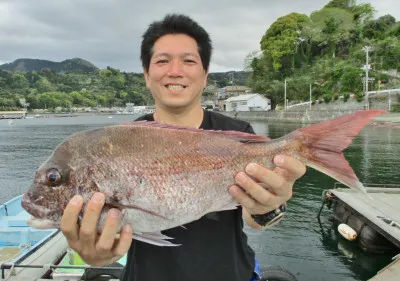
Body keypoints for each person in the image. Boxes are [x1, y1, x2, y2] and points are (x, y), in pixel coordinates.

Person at [60, 14, 306, 281]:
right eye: (162, 61)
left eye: (188, 61)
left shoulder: (238, 135)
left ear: (204, 74)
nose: (175, 71)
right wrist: (96, 253)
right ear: (146, 74)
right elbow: (114, 233)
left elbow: (255, 220)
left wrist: (269, 205)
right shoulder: (120, 141)